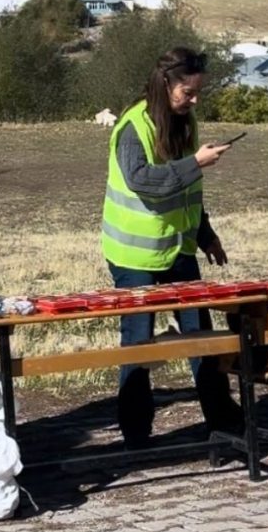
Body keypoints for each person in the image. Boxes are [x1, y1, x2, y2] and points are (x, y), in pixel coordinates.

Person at [101, 47, 245, 448]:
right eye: (188, 92)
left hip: (179, 249)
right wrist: (195, 163)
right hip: (134, 256)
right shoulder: (133, 126)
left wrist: (205, 234)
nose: (194, 100)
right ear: (166, 84)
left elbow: (187, 194)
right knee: (138, 341)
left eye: (198, 92)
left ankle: (222, 419)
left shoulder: (187, 121)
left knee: (201, 336)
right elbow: (143, 181)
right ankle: (135, 432)